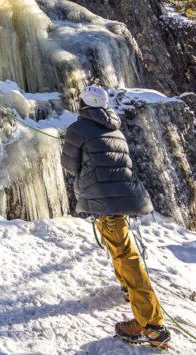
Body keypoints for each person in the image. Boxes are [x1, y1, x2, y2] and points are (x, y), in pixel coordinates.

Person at [62, 85, 171, 349]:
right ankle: (128, 290)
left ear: (83, 106)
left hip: (105, 200)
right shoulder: (116, 129)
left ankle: (151, 325)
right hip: (123, 197)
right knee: (120, 249)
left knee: (126, 256)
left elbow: (69, 166)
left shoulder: (78, 129)